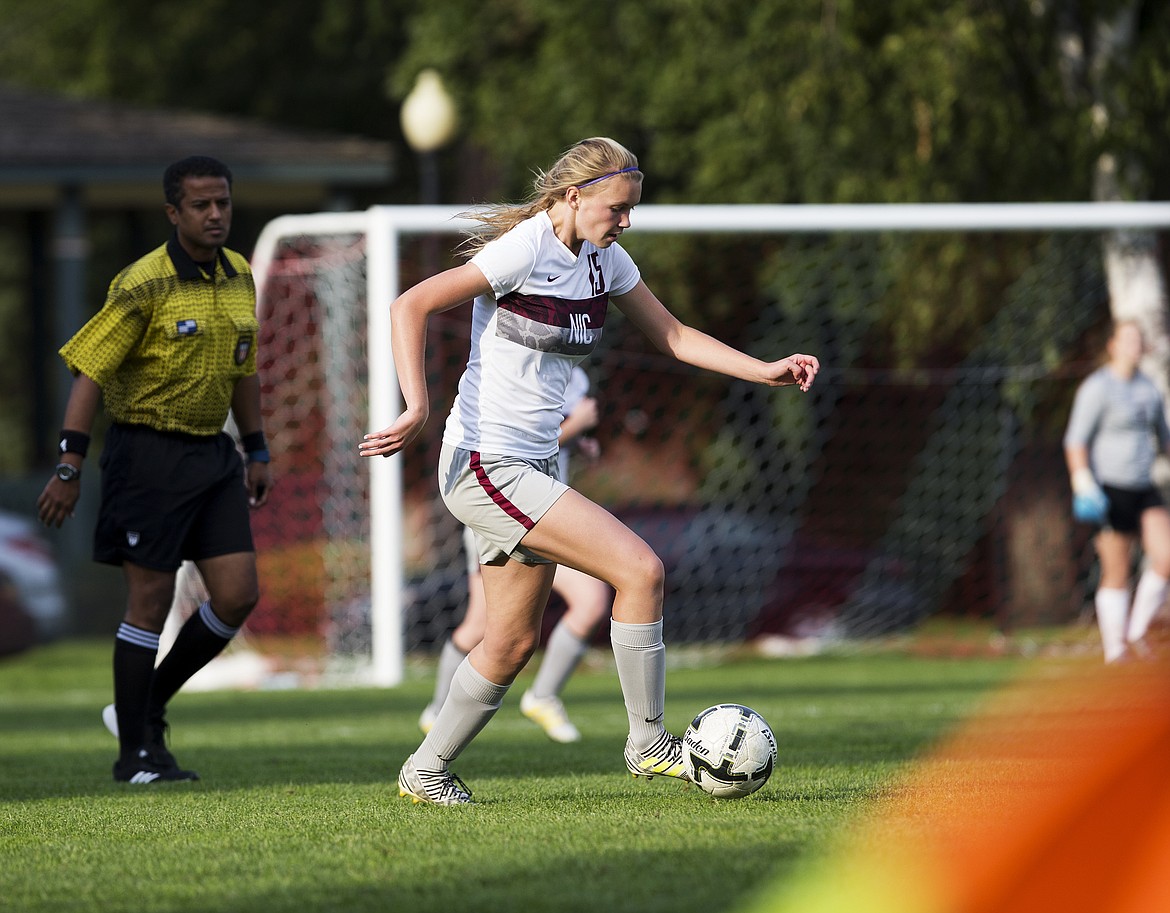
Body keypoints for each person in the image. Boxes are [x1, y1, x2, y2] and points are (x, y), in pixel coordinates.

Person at [359, 137, 818, 805]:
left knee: (511, 640)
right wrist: (417, 404)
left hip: (531, 464)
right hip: (486, 462)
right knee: (641, 568)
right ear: (574, 196)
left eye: (632, 209)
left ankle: (424, 771)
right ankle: (648, 742)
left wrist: (765, 369)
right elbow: (411, 304)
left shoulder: (606, 260)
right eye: (618, 208)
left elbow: (674, 336)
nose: (625, 221)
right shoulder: (526, 248)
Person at [36, 155, 272, 784]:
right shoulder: (142, 283)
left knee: (238, 593)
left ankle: (143, 708)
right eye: (201, 205)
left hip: (213, 457)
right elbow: (90, 371)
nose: (216, 214)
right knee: (149, 600)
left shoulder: (241, 275)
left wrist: (256, 448)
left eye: (223, 202)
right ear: (174, 213)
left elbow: (242, 369)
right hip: (147, 456)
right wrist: (69, 464)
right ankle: (134, 754)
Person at [419, 367, 611, 744]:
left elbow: (551, 442)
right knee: (481, 628)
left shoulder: (577, 377)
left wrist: (580, 442)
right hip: (500, 509)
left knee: (591, 600)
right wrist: (576, 427)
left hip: (544, 517)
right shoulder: (517, 365)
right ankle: (438, 712)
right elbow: (513, 446)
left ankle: (543, 696)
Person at [1064, 319, 1170, 663]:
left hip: (1144, 487)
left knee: (1166, 556)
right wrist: (1083, 482)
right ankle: (1115, 651)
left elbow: (1164, 439)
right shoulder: (1097, 388)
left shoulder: (1149, 388)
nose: (1133, 346)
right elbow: (1075, 440)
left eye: (1138, 340)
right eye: (1127, 340)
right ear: (1112, 345)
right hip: (1109, 489)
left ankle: (1137, 631)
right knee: (1117, 571)